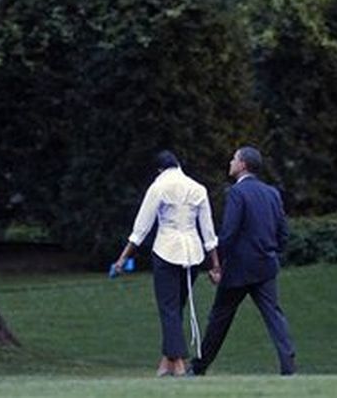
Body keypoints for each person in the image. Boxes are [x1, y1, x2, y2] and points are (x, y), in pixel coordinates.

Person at [113, 150, 221, 377]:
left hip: (166, 251)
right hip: (193, 254)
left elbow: (140, 229)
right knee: (176, 309)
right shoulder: (198, 188)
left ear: (160, 169)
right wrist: (215, 265)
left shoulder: (158, 187)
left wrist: (123, 258)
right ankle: (166, 362)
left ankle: (179, 362)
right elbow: (209, 233)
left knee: (169, 309)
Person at [189, 146, 296, 376]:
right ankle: (289, 366)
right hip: (265, 266)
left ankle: (198, 367)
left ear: (243, 165)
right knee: (274, 316)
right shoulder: (272, 193)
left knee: (219, 319)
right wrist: (273, 253)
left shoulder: (237, 193)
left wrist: (216, 264)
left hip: (238, 269)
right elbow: (283, 233)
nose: (230, 162)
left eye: (234, 159)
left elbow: (228, 233)